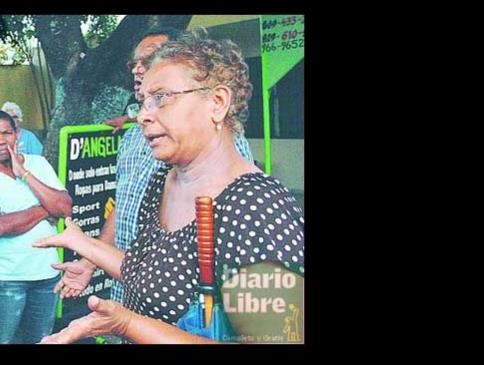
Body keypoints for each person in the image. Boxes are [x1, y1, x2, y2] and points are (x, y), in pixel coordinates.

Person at [34, 29, 304, 343]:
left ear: (217, 102)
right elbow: (153, 275)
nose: (145, 115)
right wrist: (86, 246)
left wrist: (127, 324)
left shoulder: (256, 209)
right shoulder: (163, 180)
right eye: (143, 101)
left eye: (161, 98)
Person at [55, 28, 255, 312]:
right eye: (134, 63)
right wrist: (90, 257)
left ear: (217, 103)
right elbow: (123, 207)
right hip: (125, 295)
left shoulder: (250, 197)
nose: (138, 69)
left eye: (162, 96)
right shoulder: (137, 140)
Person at [0, 110, 73, 344]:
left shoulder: (38, 164)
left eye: (7, 133)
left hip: (47, 275)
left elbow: (65, 208)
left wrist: (24, 173)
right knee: (2, 340)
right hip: (5, 279)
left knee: (41, 340)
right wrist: (45, 209)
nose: (1, 140)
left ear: (17, 134)